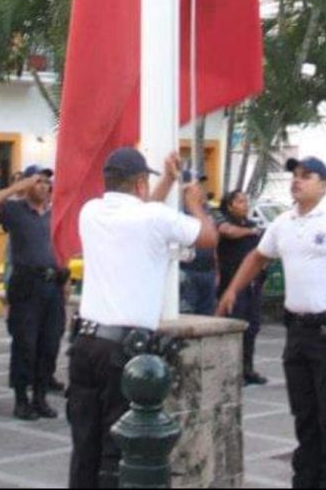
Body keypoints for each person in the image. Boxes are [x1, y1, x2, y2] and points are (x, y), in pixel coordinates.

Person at [68, 148, 217, 488]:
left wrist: (166, 179)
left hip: (86, 343)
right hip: (123, 352)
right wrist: (195, 202)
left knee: (84, 444)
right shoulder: (153, 219)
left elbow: (146, 211)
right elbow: (208, 237)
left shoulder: (90, 211)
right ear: (138, 183)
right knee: (118, 449)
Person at [218, 156, 326, 489]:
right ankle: (305, 481)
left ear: (324, 184)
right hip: (298, 333)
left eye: (307, 176)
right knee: (305, 416)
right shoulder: (283, 222)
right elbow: (257, 256)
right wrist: (232, 290)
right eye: (295, 176)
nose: (297, 181)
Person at [0, 165, 62, 420]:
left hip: (53, 282)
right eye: (38, 181)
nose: (44, 186)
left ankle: (40, 395)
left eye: (47, 182)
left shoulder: (55, 211)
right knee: (26, 343)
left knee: (49, 343)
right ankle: (21, 399)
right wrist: (16, 188)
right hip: (26, 282)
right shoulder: (15, 209)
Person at [216, 189, 267, 386]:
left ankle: (248, 369)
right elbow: (229, 232)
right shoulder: (226, 223)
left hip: (253, 285)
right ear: (229, 206)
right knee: (234, 326)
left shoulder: (252, 225)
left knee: (252, 326)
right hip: (232, 284)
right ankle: (232, 370)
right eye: (239, 201)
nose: (244, 204)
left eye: (245, 201)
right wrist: (251, 231)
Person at [179, 171, 218, 315]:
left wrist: (216, 271)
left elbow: (213, 243)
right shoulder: (177, 211)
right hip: (187, 271)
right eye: (196, 185)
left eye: (200, 185)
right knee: (187, 314)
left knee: (207, 314)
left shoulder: (205, 210)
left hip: (207, 270)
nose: (200, 189)